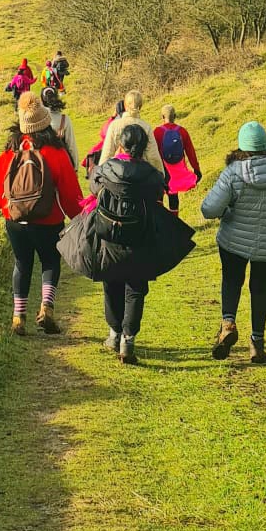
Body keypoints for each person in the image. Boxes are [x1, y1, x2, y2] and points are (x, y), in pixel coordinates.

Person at [60, 122, 194, 364]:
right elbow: (160, 193)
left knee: (111, 283)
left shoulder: (105, 169)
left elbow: (92, 186)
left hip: (108, 238)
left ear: (120, 144)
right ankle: (128, 340)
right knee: (136, 289)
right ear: (144, 147)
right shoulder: (152, 175)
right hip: (140, 240)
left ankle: (114, 334)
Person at [200, 122, 266, 366]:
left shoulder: (234, 172)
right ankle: (257, 343)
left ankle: (227, 324)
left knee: (232, 279)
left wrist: (227, 209)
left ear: (241, 146)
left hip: (234, 239)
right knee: (260, 288)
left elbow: (208, 209)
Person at [0, 93, 84, 335]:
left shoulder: (10, 152)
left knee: (22, 263)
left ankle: (18, 317)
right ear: (45, 122)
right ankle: (46, 308)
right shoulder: (56, 152)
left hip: (15, 220)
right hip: (48, 220)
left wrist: (8, 206)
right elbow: (72, 197)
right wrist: (79, 217)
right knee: (50, 260)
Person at [99, 90, 167, 181]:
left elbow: (107, 154)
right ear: (140, 106)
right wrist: (161, 175)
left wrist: (101, 175)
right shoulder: (146, 127)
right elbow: (153, 156)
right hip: (141, 176)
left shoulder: (114, 126)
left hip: (118, 176)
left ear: (125, 106)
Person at [154, 106, 202, 213]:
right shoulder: (182, 131)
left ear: (162, 117)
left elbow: (152, 153)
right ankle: (174, 224)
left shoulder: (157, 132)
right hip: (176, 174)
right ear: (175, 116)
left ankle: (158, 225)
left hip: (161, 172)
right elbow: (191, 153)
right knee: (173, 200)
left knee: (158, 199)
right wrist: (196, 169)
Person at [41, 84, 80, 168]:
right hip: (61, 164)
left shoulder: (38, 120)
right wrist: (75, 167)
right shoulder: (64, 119)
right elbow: (71, 145)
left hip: (43, 164)